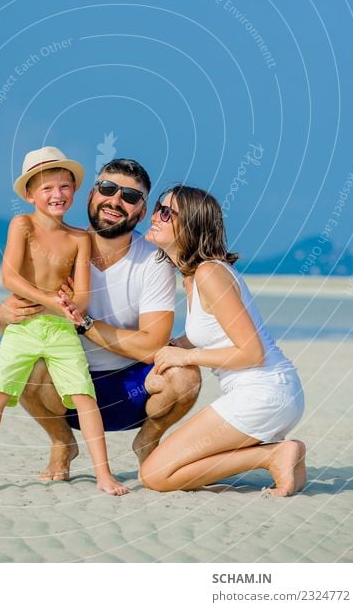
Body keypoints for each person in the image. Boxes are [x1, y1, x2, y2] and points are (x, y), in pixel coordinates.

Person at [0, 159, 202, 482]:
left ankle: (148, 442)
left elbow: (153, 345)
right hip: (67, 389)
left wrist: (85, 324)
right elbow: (17, 328)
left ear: (142, 210)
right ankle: (62, 442)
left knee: (185, 375)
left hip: (133, 390)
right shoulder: (55, 247)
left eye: (130, 196)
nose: (115, 201)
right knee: (24, 363)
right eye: (107, 189)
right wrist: (2, 315)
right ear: (91, 194)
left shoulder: (154, 261)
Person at [0, 146, 129, 496]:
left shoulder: (80, 238)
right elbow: (10, 277)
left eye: (64, 186)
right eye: (47, 188)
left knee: (84, 396)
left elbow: (82, 295)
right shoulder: (23, 225)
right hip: (24, 327)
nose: (56, 194)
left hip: (62, 329)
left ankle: (104, 475)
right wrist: (50, 299)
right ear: (30, 195)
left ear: (74, 191)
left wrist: (71, 306)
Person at [139, 186, 306, 496]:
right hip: (269, 394)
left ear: (190, 225)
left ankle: (273, 455)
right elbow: (213, 329)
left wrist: (186, 358)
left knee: (155, 475)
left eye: (166, 212)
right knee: (165, 470)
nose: (155, 216)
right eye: (157, 208)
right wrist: (176, 345)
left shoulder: (209, 273)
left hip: (263, 393)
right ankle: (277, 455)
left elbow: (252, 352)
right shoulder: (193, 275)